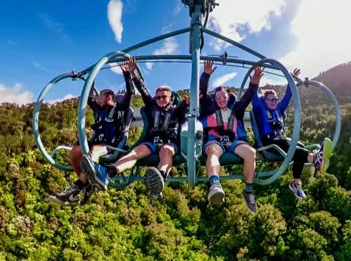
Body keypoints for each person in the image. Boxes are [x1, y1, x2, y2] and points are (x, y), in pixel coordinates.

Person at [81, 57, 189, 200]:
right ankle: (109, 173)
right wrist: (132, 74)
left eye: (164, 97)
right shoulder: (152, 107)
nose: (161, 100)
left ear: (170, 98)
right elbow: (142, 90)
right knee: (135, 152)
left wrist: (188, 102)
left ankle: (160, 177)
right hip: (151, 141)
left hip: (169, 142)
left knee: (166, 151)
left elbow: (185, 107)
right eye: (158, 97)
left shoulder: (176, 110)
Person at [48, 58, 136, 206]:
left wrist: (128, 74)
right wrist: (91, 78)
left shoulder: (120, 109)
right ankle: (85, 185)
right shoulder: (98, 110)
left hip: (111, 145)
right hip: (96, 142)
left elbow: (130, 93)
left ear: (110, 97)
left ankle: (75, 190)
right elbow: (88, 97)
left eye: (101, 97)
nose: (98, 100)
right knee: (76, 151)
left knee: (94, 151)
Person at [251, 68, 327, 199]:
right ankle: (314, 159)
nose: (274, 102)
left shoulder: (278, 109)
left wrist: (291, 79)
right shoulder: (260, 109)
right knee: (293, 148)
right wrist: (255, 83)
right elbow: (253, 96)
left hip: (280, 140)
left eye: (275, 99)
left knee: (301, 146)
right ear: (265, 100)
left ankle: (299, 179)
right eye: (271, 100)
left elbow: (288, 95)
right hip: (269, 142)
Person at [199, 60, 262, 214]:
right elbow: (202, 90)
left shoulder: (236, 110)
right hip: (215, 140)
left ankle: (248, 190)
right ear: (215, 98)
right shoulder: (209, 108)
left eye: (224, 97)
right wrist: (206, 75)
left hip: (233, 142)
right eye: (219, 97)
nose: (221, 100)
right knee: (213, 152)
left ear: (228, 98)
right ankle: (214, 184)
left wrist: (254, 83)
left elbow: (247, 97)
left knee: (251, 153)